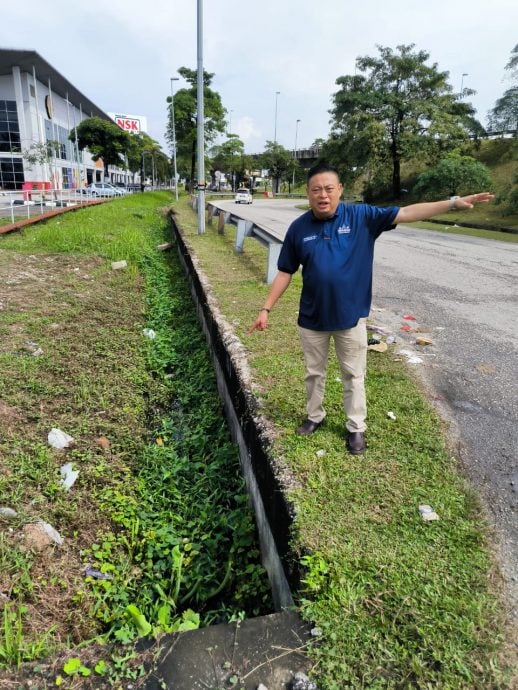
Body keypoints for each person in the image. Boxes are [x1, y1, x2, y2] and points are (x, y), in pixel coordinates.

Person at [248, 161, 494, 455]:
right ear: (308, 192)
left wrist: (453, 203)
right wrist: (266, 309)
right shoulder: (299, 228)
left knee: (354, 375)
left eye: (329, 188)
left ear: (340, 190)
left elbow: (407, 212)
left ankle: (356, 428)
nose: (323, 195)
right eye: (316, 190)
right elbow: (286, 271)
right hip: (312, 318)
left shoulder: (362, 216)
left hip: (350, 318)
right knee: (314, 373)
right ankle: (315, 416)